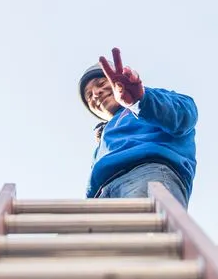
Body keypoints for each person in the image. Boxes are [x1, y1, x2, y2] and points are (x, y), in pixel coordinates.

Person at [79, 48, 197, 206]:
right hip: (101, 193)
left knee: (144, 229)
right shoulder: (104, 138)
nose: (96, 94)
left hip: (145, 173)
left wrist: (140, 100)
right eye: (89, 95)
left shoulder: (152, 101)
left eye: (101, 83)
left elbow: (184, 114)